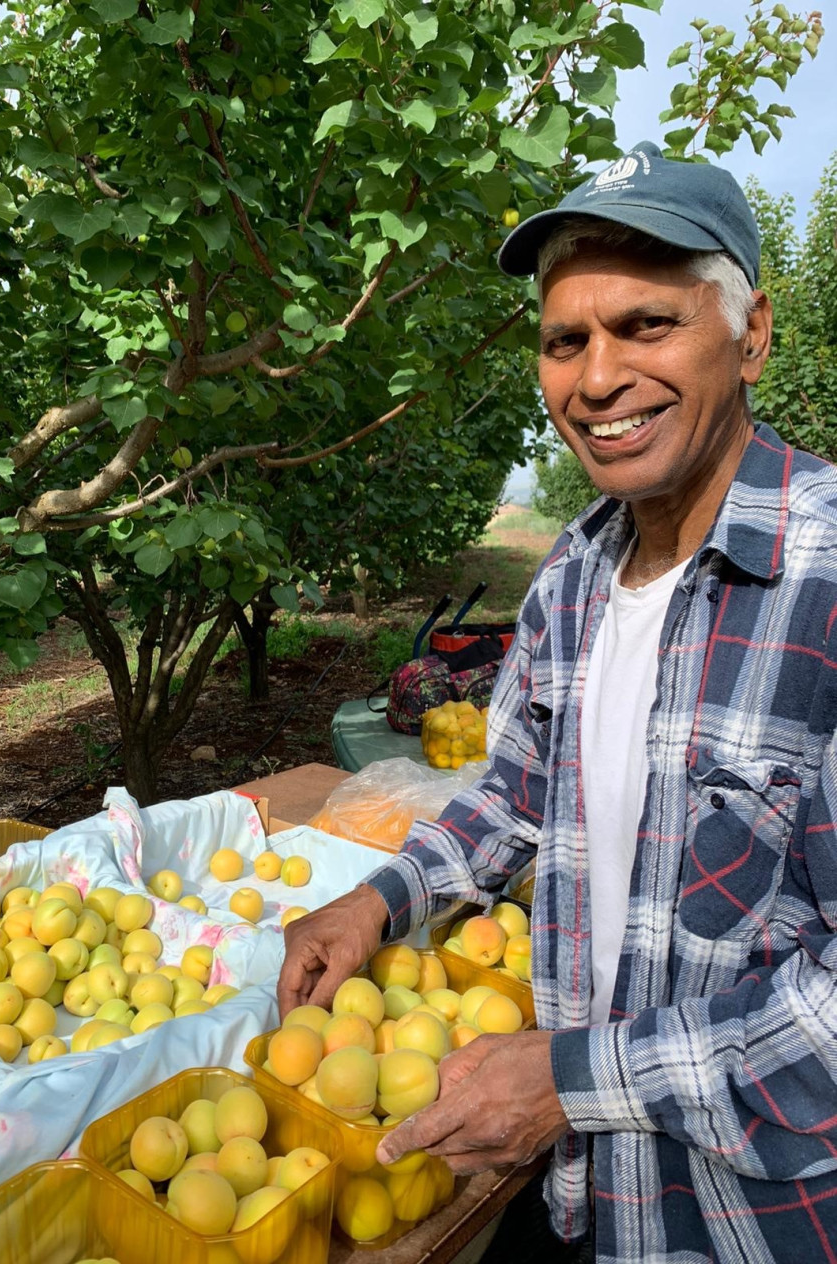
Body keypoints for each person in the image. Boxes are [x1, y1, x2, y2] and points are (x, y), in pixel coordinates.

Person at [278, 140, 837, 1262]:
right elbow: (519, 797)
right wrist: (382, 897)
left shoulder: (822, 587)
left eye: (646, 325)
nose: (595, 379)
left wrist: (582, 1080)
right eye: (563, 340)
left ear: (754, 333)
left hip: (755, 1223)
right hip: (584, 1194)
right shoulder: (574, 574)